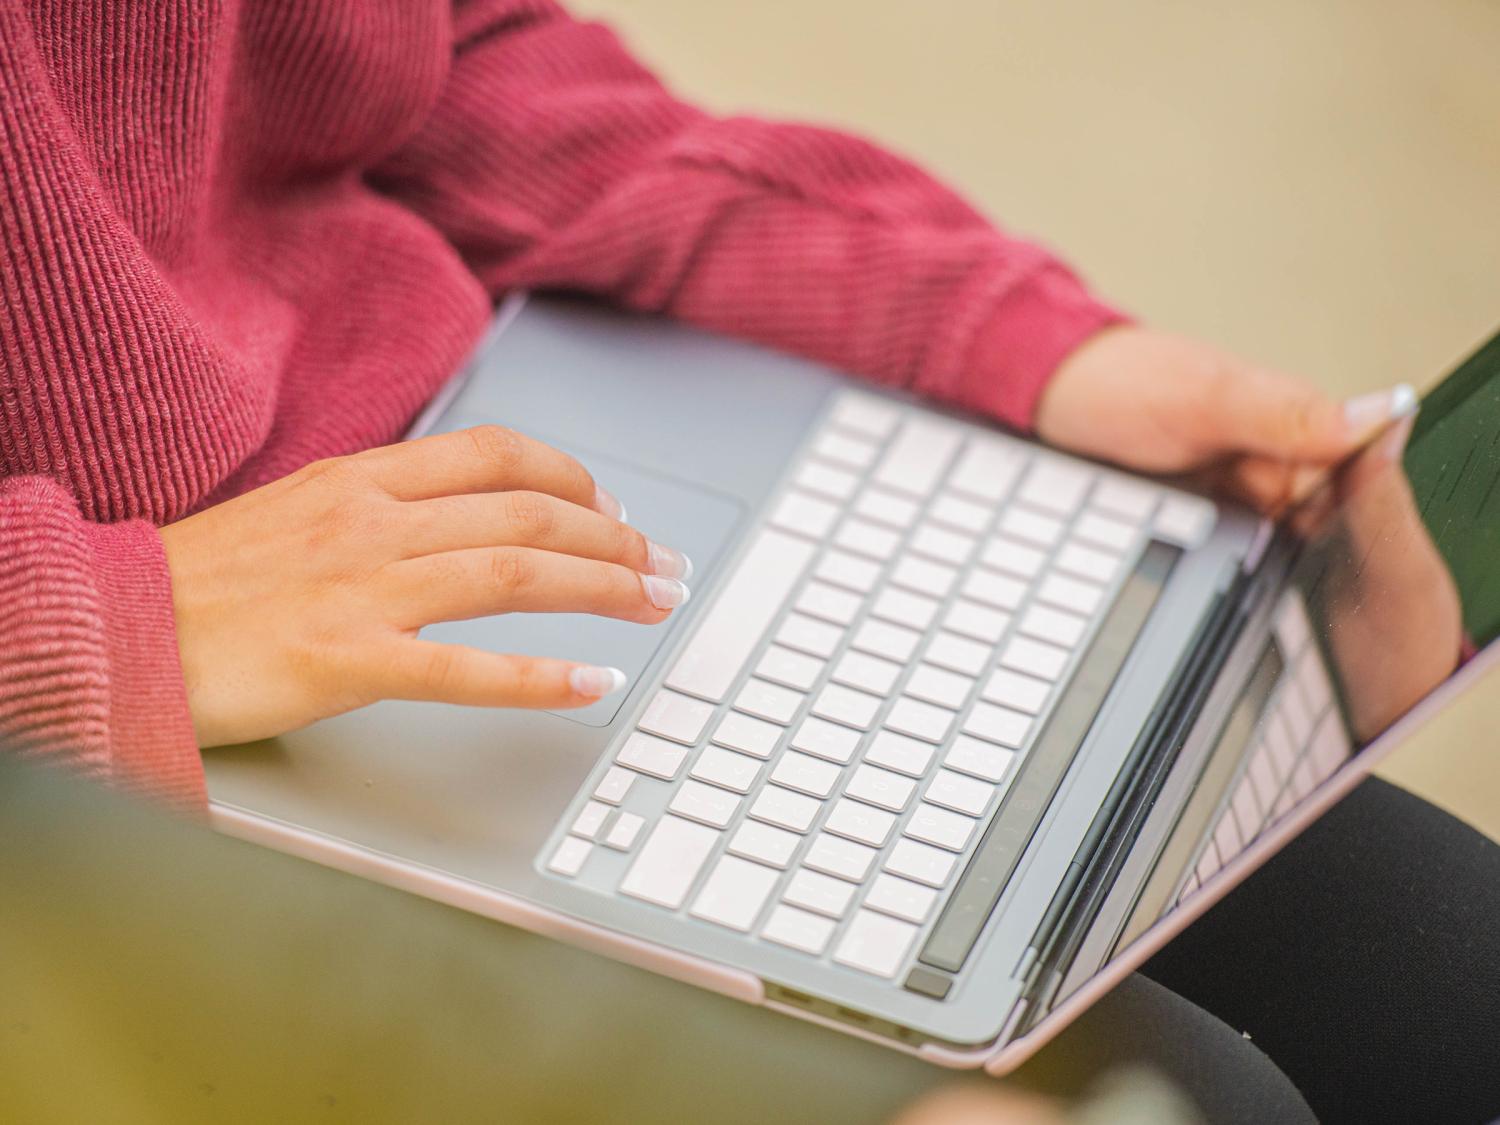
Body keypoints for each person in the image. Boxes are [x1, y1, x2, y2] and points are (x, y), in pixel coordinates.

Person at [2, 3, 1493, 1121]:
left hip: (517, 451)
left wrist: (1002, 336)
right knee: (1214, 1101)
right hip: (112, 777)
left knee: (1454, 981)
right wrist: (99, 625)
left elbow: (448, 57)